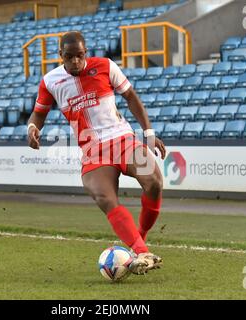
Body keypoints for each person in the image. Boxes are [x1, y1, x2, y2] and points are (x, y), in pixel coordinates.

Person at [27, 31, 166, 275]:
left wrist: (149, 132)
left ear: (85, 53)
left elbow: (131, 97)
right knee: (104, 197)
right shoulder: (50, 82)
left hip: (123, 139)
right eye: (69, 57)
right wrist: (32, 128)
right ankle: (142, 252)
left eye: (80, 56)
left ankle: (138, 239)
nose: (75, 62)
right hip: (93, 151)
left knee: (154, 181)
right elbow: (39, 113)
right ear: (60, 55)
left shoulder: (105, 66)